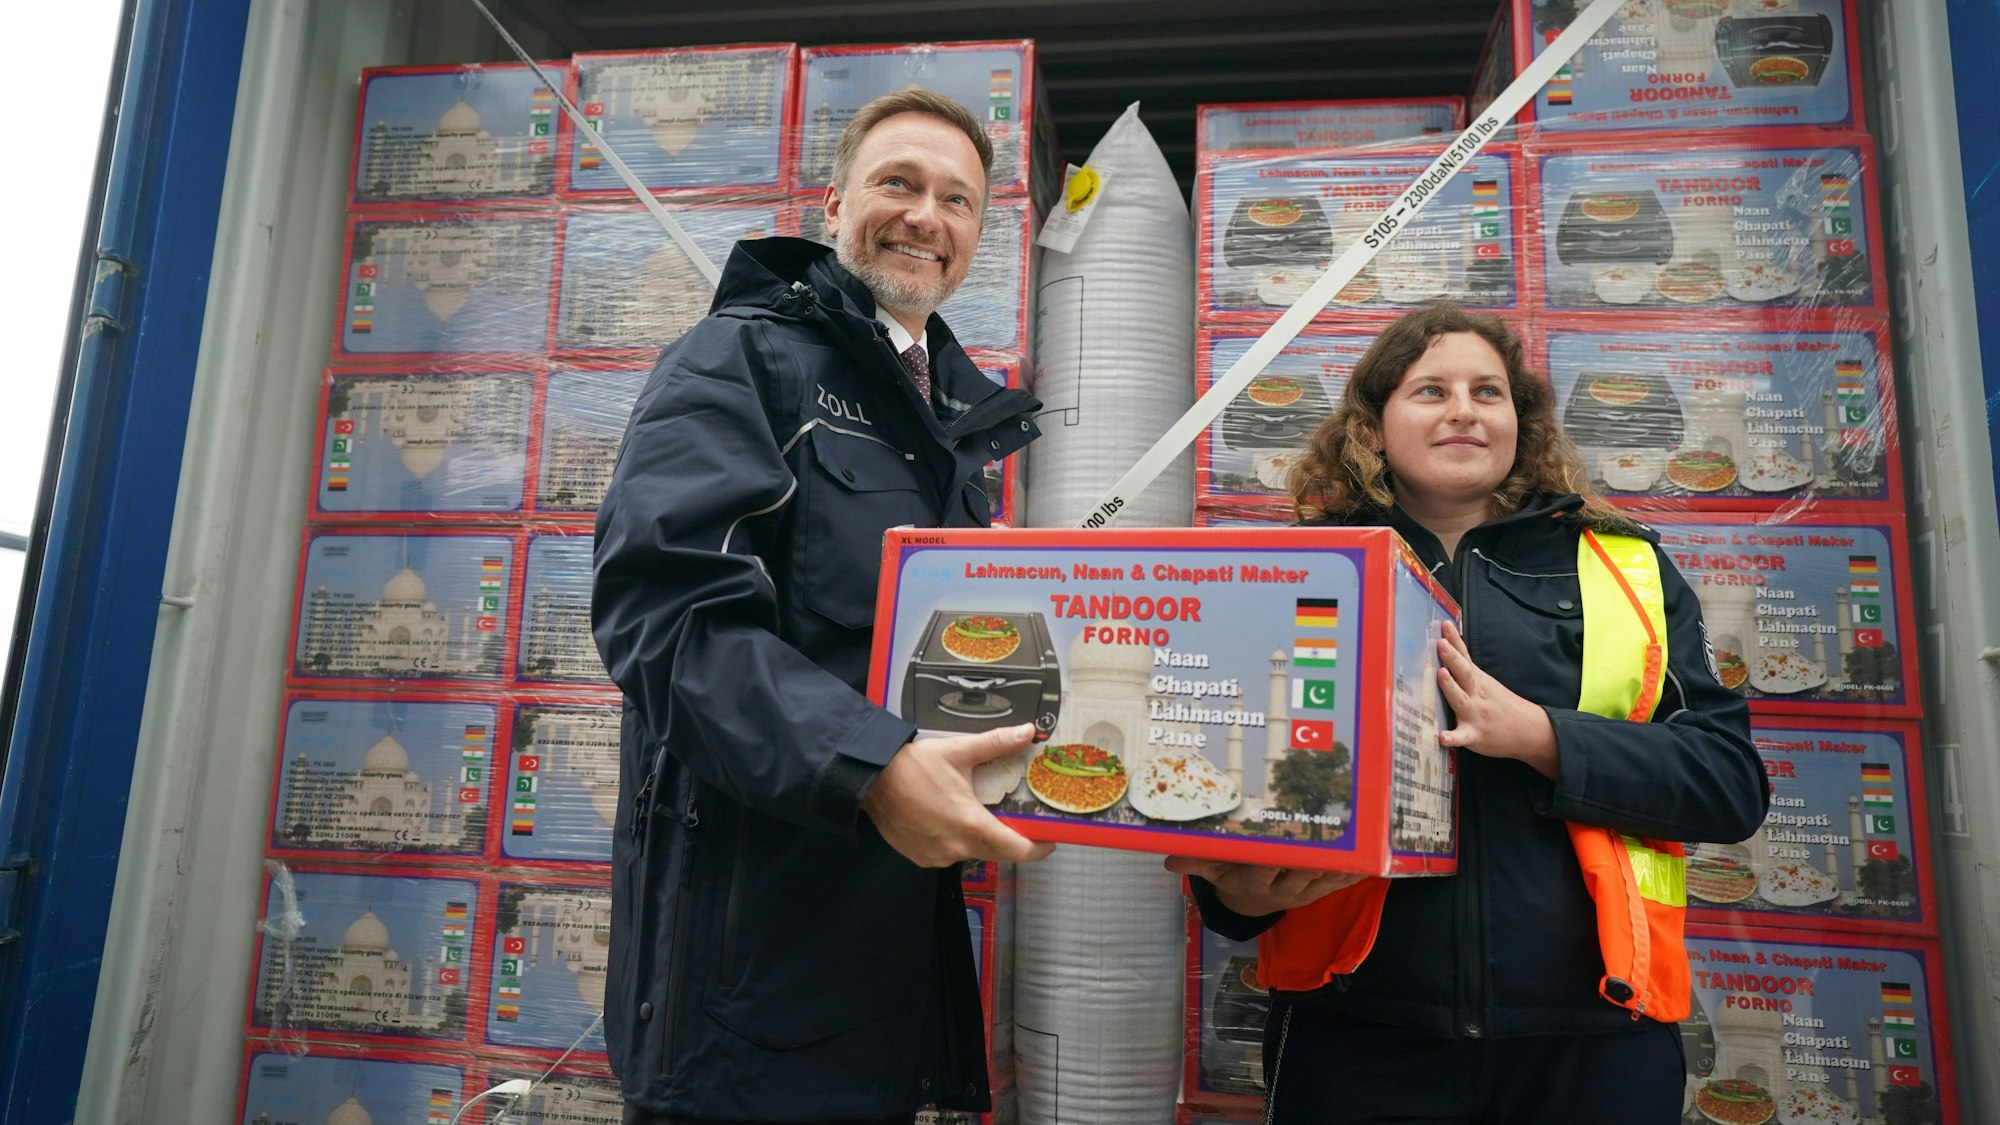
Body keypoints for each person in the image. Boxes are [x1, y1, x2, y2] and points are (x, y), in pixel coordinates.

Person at [1168, 304, 1767, 1125]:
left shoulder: (1625, 566)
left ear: (1519, 423)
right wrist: (1239, 895)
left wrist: (1543, 738)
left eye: (1488, 391)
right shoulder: (1299, 572)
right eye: (1430, 390)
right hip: (1356, 1040)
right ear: (1373, 428)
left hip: (1595, 1039)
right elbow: (1242, 813)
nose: (1463, 409)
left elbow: (1729, 783)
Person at [592, 88, 1053, 1125]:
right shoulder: (737, 362)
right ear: (833, 202)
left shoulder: (948, 426)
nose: (924, 217)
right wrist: (870, 765)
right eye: (898, 183)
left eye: (957, 200)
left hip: (875, 980)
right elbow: (667, 621)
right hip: (744, 983)